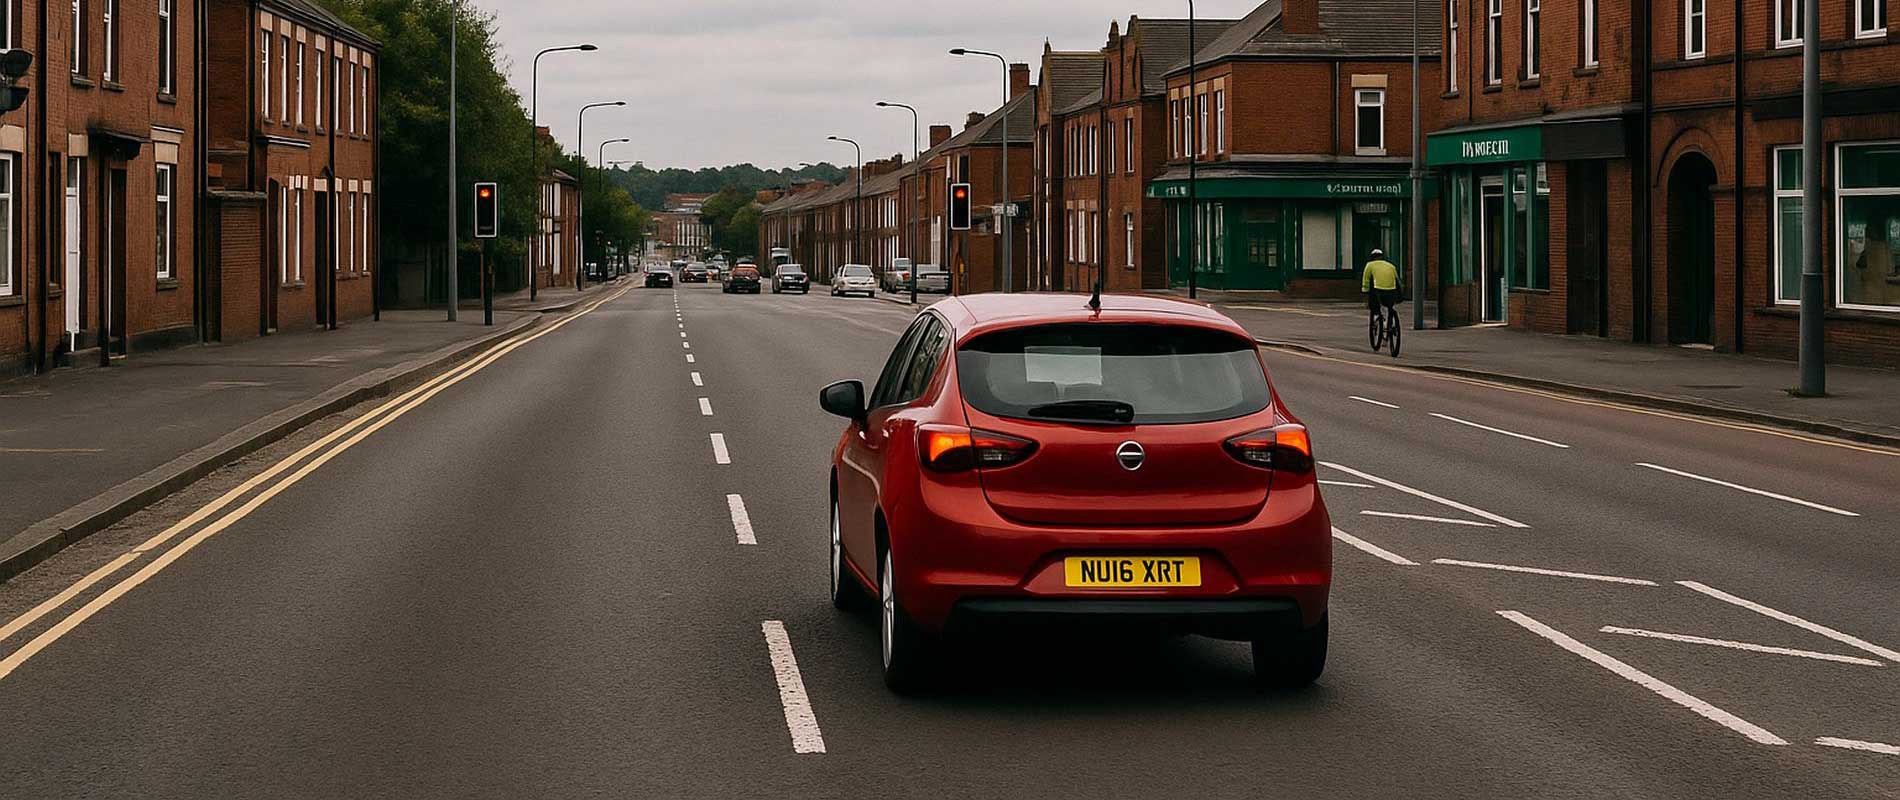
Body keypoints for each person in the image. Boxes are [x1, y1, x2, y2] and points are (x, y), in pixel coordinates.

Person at [1361, 248, 1402, 324]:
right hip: (1392, 290)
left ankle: (1377, 315)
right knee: (1389, 307)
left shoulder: (1370, 265)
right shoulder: (1391, 266)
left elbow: (1366, 280)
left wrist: (1365, 291)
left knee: (1374, 303)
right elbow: (1397, 280)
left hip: (1379, 290)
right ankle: (1390, 323)